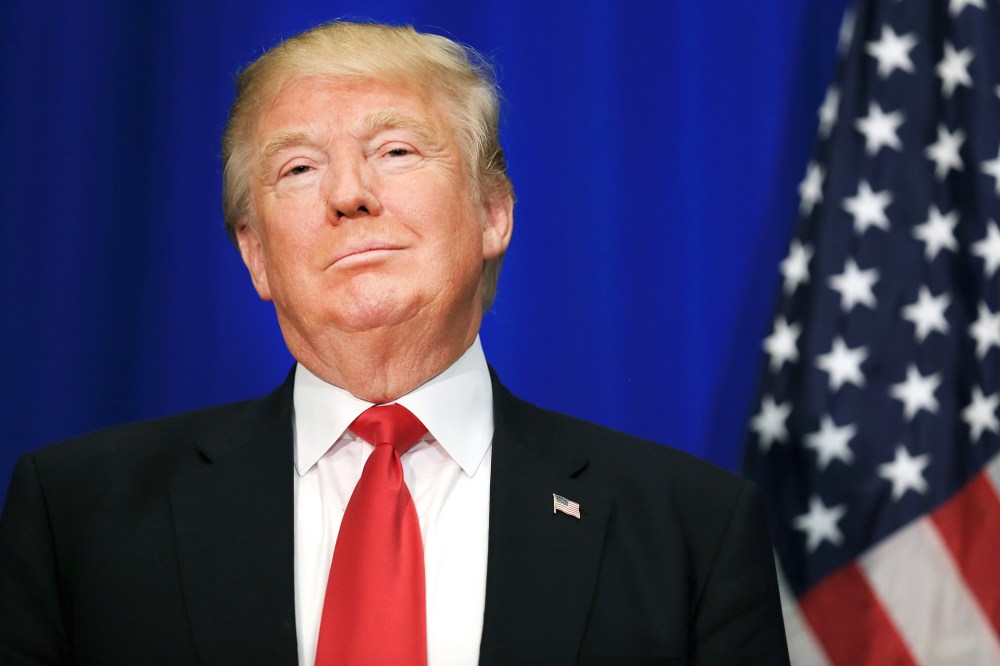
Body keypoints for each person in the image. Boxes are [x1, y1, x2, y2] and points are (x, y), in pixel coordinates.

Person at [0, 21, 789, 665]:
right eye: (300, 167)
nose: (349, 195)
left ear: (492, 213)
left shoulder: (693, 530)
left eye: (397, 151)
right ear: (256, 254)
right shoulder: (79, 515)